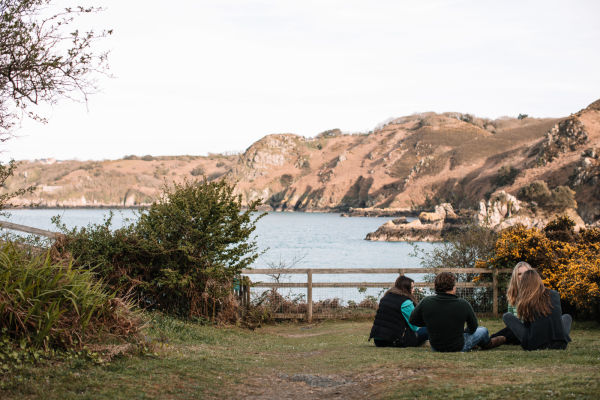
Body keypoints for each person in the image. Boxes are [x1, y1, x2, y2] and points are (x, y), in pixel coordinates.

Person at [409, 272, 504, 352]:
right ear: (453, 287)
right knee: (483, 330)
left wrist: (430, 323)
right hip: (458, 346)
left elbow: (413, 320)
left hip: (436, 347)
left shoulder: (426, 301)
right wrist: (464, 332)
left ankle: (479, 344)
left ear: (435, 286)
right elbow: (473, 327)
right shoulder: (463, 304)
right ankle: (487, 344)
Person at [502, 269, 572, 350]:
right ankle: (561, 337)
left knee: (507, 316)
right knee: (567, 317)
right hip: (560, 345)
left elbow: (527, 325)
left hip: (536, 345)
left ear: (524, 283)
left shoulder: (527, 299)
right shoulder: (555, 294)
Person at [369, 275, 429, 347]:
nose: (413, 290)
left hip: (378, 340)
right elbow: (414, 327)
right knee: (430, 328)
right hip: (396, 340)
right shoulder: (406, 303)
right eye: (412, 287)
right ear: (406, 288)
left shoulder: (385, 298)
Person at [490, 261, 532, 345]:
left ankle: (489, 341)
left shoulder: (535, 293)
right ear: (515, 277)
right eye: (519, 274)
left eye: (525, 273)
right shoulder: (513, 294)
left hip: (531, 330)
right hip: (516, 328)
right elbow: (511, 319)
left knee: (509, 333)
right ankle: (486, 341)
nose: (523, 276)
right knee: (506, 331)